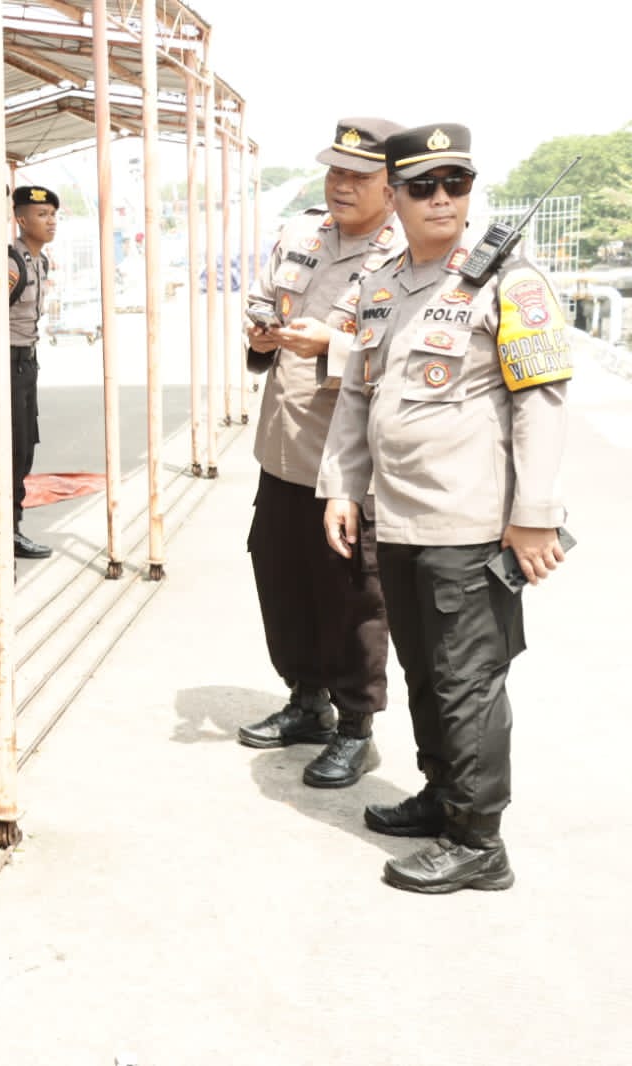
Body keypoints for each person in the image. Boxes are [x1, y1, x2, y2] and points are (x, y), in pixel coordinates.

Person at [317, 124, 571, 894]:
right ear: (392, 195)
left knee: (467, 681)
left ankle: (477, 840)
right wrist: (341, 484)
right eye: (422, 185)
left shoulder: (509, 281)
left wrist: (533, 513)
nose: (440, 199)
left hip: (469, 522)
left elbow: (540, 402)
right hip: (398, 517)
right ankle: (441, 794)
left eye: (454, 183)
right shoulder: (382, 287)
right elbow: (355, 396)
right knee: (423, 671)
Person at [235, 119, 404, 790]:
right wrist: (260, 332)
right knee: (282, 578)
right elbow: (263, 299)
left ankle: (355, 726)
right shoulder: (301, 235)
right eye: (335, 171)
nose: (341, 185)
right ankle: (306, 700)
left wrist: (330, 346)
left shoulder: (405, 255)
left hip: (350, 463)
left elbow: (406, 355)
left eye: (359, 176)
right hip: (282, 446)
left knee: (352, 598)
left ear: (391, 187)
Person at [8, 186, 57, 560]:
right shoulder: (12, 263)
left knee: (24, 449)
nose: (50, 221)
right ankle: (0, 531)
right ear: (21, 220)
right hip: (5, 363)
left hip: (27, 362)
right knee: (8, 451)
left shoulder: (41, 262)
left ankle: (12, 527)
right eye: (42, 215)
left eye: (53, 214)